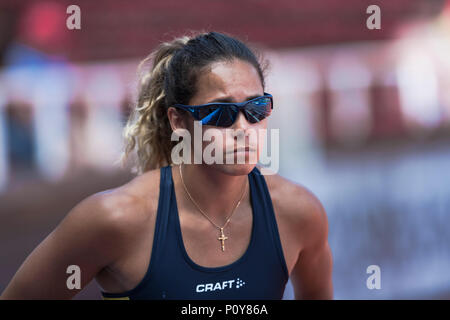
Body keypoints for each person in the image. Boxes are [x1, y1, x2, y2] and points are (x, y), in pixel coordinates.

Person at [0, 31, 333, 300]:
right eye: (220, 112)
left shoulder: (298, 212)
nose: (242, 128)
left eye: (256, 108)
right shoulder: (115, 219)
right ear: (178, 120)